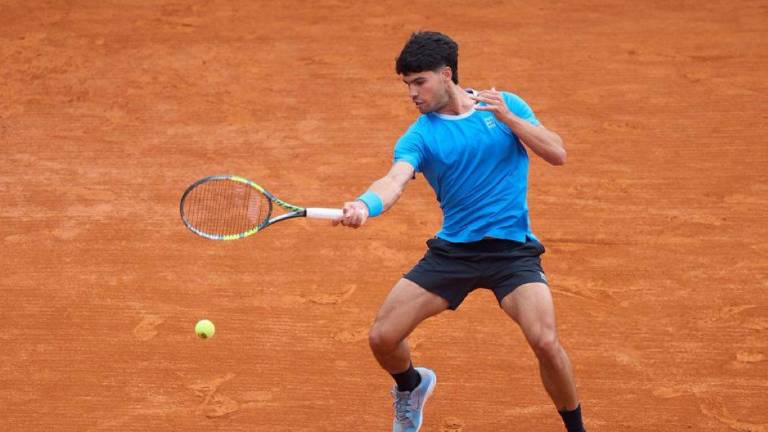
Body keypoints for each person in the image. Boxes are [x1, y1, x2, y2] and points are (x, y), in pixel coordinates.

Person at [334, 31, 586, 432]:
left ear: (446, 73)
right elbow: (395, 179)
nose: (413, 93)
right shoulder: (421, 134)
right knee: (383, 337)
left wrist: (510, 119)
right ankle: (412, 387)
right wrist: (365, 204)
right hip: (455, 253)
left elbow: (557, 152)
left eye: (420, 82)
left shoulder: (504, 106)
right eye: (407, 85)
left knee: (545, 341)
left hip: (512, 254)